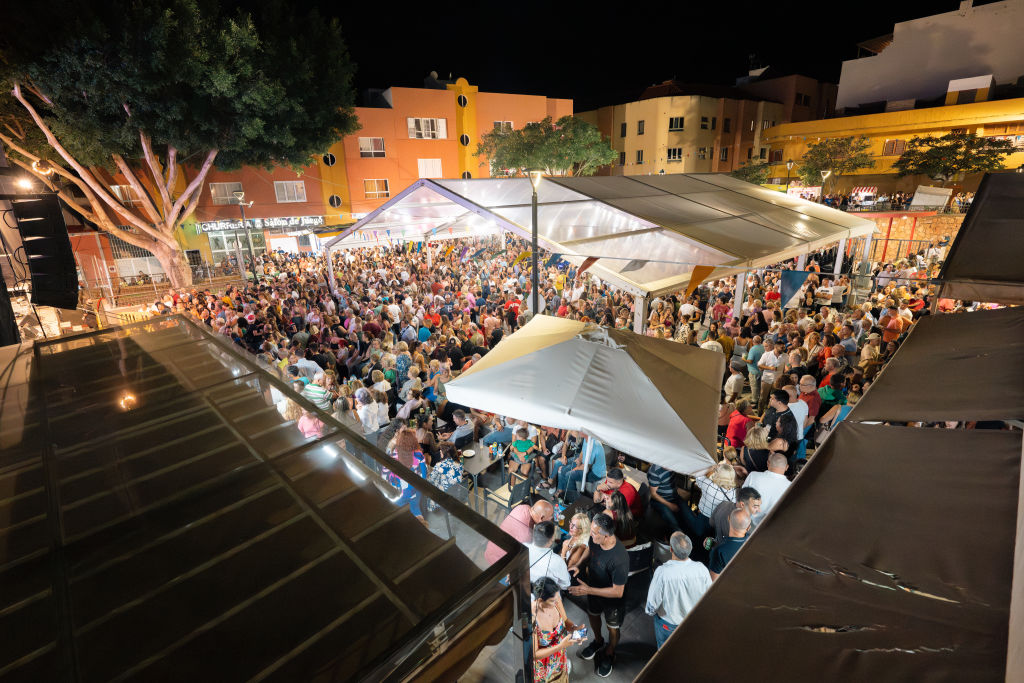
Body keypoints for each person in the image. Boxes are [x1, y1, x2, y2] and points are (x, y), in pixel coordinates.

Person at [570, 513, 629, 678]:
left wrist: (588, 590)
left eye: (594, 533)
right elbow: (590, 549)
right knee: (593, 614)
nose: (590, 535)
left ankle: (610, 652)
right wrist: (578, 564)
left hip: (612, 601)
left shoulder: (619, 558)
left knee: (613, 627)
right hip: (593, 589)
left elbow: (618, 591)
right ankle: (598, 641)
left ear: (607, 536)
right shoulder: (595, 539)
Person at [644, 532, 712, 649]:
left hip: (668, 625)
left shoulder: (662, 573)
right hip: (692, 622)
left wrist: (651, 612)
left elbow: (651, 607)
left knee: (664, 652)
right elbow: (708, 598)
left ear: (671, 549)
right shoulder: (702, 569)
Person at [532, 576, 583, 683]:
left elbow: (566, 621)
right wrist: (560, 646)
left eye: (557, 598)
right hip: (543, 665)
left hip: (559, 656)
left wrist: (574, 629)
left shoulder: (556, 600)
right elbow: (535, 655)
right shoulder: (532, 618)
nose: (557, 602)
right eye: (552, 601)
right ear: (540, 600)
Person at [484, 500, 554, 565]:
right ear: (541, 518)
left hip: (491, 548)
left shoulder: (523, 507)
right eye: (550, 517)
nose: (551, 519)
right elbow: (529, 555)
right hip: (500, 562)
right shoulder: (527, 535)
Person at [743, 453, 791, 525]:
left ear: (768, 463)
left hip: (749, 524)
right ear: (787, 467)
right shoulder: (790, 486)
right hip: (774, 527)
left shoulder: (753, 476)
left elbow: (742, 499)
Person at [526, 521, 572, 590]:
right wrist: (563, 553)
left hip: (527, 588)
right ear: (552, 540)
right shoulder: (557, 561)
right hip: (546, 596)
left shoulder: (524, 548)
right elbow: (565, 585)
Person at [708, 508, 750, 580]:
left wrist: (714, 549)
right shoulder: (753, 539)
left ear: (728, 519)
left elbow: (713, 581)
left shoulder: (719, 552)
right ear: (748, 528)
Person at [425, 442, 464, 512]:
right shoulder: (459, 463)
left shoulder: (440, 465)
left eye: (440, 452)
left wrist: (427, 474)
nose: (440, 453)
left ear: (444, 453)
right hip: (458, 493)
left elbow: (430, 480)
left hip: (446, 497)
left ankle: (431, 507)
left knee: (429, 487)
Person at [646, 463, 682, 536]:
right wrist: (670, 505)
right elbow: (653, 494)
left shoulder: (673, 465)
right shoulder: (654, 472)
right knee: (674, 524)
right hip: (659, 501)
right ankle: (678, 541)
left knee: (687, 516)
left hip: (674, 496)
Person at [561, 512, 591, 579]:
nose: (570, 527)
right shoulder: (576, 535)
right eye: (571, 523)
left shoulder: (580, 547)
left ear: (582, 529)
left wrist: (563, 552)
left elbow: (565, 572)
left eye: (574, 526)